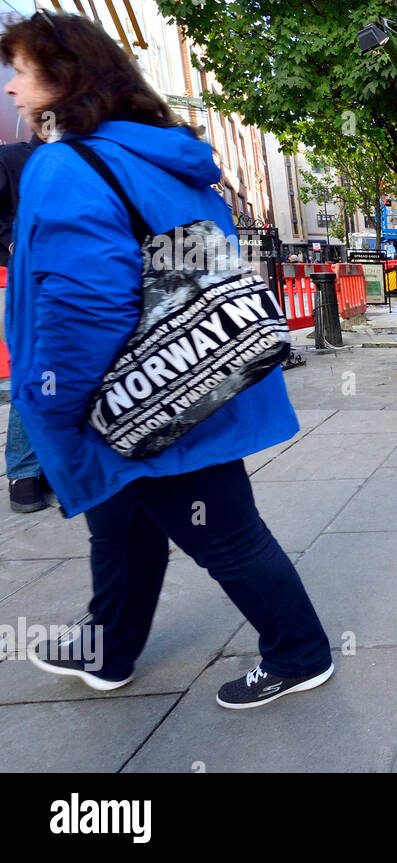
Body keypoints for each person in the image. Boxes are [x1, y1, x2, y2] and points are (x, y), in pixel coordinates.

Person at [2, 12, 333, 708]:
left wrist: (54, 408)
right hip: (197, 376)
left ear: (65, 78)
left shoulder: (65, 163)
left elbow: (84, 305)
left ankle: (299, 651)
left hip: (136, 395)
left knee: (226, 534)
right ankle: (109, 648)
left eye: (22, 71)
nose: (11, 88)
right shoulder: (161, 153)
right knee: (120, 523)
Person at [0, 132, 46, 512]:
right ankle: (24, 469)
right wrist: (10, 241)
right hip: (25, 279)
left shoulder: (87, 157)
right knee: (32, 368)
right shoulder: (14, 158)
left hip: (75, 280)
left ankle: (51, 461)